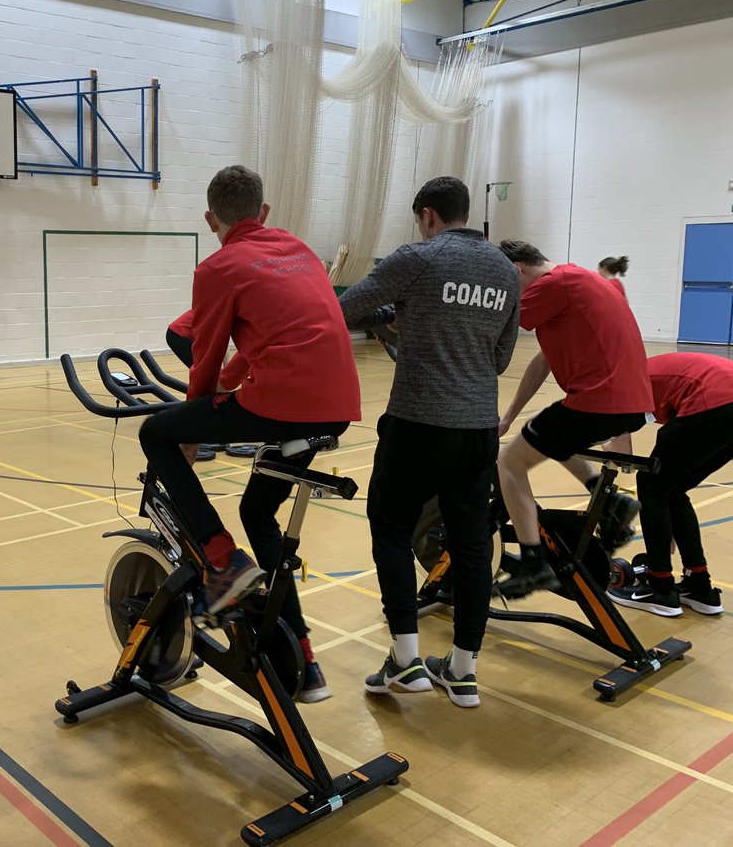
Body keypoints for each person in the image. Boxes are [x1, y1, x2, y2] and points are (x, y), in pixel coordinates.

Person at [138, 165, 360, 703]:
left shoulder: (217, 266)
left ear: (210, 219)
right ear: (263, 212)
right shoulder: (299, 249)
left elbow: (207, 358)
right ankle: (305, 661)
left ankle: (222, 561)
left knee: (155, 433)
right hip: (338, 406)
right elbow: (261, 350)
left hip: (284, 403)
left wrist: (193, 425)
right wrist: (217, 402)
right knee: (259, 511)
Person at [339, 175, 520, 709]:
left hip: (419, 423)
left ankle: (405, 661)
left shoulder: (418, 256)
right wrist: (417, 328)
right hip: (478, 429)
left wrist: (403, 326)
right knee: (469, 545)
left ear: (426, 214)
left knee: (391, 528)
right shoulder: (506, 270)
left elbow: (345, 309)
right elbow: (500, 357)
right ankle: (462, 671)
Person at [495, 239, 653, 598]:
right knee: (550, 432)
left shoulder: (553, 283)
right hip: (629, 402)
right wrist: (509, 417)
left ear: (516, 269)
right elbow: (542, 363)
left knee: (508, 463)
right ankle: (611, 500)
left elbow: (494, 322)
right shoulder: (576, 281)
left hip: (601, 401)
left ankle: (533, 563)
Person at [607, 351, 730, 616]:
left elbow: (621, 452)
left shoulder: (623, 385)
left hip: (712, 400)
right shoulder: (645, 373)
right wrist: (664, 521)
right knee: (672, 490)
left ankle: (659, 586)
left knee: (651, 484)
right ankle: (699, 585)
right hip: (722, 401)